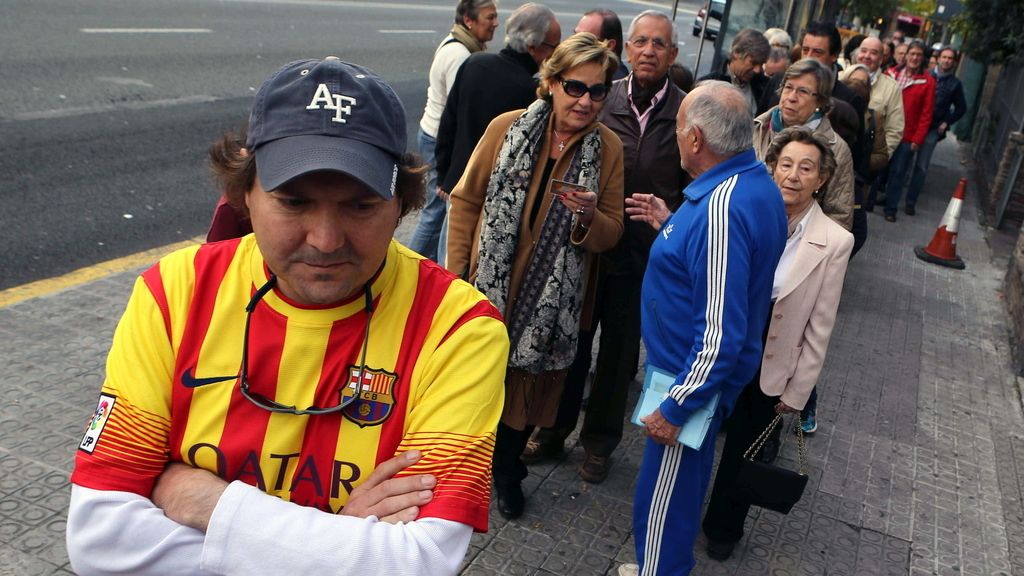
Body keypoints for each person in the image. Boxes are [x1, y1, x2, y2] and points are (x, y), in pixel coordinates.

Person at [66, 57, 510, 576]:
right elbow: (99, 541)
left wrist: (206, 501)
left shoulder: (459, 328)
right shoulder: (174, 292)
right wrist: (343, 541)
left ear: (401, 204)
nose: (325, 240)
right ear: (244, 195)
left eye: (361, 205)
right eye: (294, 202)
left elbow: (425, 560)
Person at [446, 32, 625, 520]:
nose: (586, 100)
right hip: (489, 285)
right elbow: (465, 201)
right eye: (575, 87)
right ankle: (462, 471)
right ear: (550, 82)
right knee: (476, 379)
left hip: (554, 304)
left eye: (597, 91)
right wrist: (457, 274)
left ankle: (506, 474)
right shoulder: (507, 128)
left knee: (526, 393)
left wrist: (589, 216)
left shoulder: (607, 150)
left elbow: (612, 233)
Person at [622, 80, 787, 575]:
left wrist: (677, 406)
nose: (676, 137)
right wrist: (673, 224)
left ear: (695, 139)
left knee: (664, 506)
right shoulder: (749, 185)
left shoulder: (720, 209)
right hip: (697, 380)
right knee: (676, 494)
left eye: (677, 128)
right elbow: (721, 270)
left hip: (686, 383)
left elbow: (719, 334)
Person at [522, 9, 687, 485]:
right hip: (588, 248)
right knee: (570, 346)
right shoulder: (602, 97)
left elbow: (694, 184)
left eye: (659, 44)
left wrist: (672, 228)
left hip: (645, 258)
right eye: (642, 42)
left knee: (617, 355)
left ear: (672, 54)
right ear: (625, 49)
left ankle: (598, 445)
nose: (650, 51)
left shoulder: (684, 110)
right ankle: (552, 430)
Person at [702, 127, 854, 560]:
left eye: (806, 168)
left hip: (770, 360)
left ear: (821, 179)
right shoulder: (741, 212)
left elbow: (820, 325)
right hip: (724, 343)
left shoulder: (834, 242)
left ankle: (723, 527)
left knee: (741, 450)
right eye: (785, 165)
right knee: (694, 435)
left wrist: (799, 390)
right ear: (771, 168)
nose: (793, 175)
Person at [434, 2, 561, 265]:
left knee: (449, 257)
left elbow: (449, 121)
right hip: (494, 198)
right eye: (553, 46)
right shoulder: (530, 92)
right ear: (533, 47)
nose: (556, 54)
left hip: (457, 185)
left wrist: (444, 175)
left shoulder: (474, 63)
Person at [408, 0, 498, 263]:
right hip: (438, 138)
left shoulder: (456, 43)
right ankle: (412, 264)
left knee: (436, 209)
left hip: (430, 131)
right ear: (469, 21)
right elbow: (458, 112)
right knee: (438, 211)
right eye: (489, 17)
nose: (495, 23)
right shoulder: (461, 56)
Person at [753, 59, 855, 231]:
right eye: (788, 87)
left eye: (803, 92)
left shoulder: (836, 149)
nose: (791, 97)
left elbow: (839, 217)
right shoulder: (758, 128)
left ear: (820, 102)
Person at [905, 46, 966, 212]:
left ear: (954, 62)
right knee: (904, 161)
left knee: (921, 166)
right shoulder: (926, 75)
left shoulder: (955, 84)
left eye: (950, 58)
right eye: (944, 57)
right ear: (938, 58)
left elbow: (961, 108)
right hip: (915, 124)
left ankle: (911, 201)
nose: (946, 60)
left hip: (932, 128)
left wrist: (947, 121)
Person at [881, 40, 935, 221]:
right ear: (906, 55)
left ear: (923, 58)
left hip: (907, 137)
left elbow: (926, 114)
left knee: (898, 173)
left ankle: (891, 209)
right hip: (886, 131)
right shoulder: (892, 73)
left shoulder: (927, 82)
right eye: (912, 54)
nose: (914, 58)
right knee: (880, 168)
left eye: (919, 55)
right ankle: (871, 202)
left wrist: (917, 140)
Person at [698, 28, 773, 116]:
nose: (757, 70)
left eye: (761, 64)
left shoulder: (765, 86)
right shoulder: (707, 85)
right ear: (736, 53)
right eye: (753, 63)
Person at [575, 8, 629, 80]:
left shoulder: (614, 85)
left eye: (584, 39)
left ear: (609, 46)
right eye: (575, 36)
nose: (574, 43)